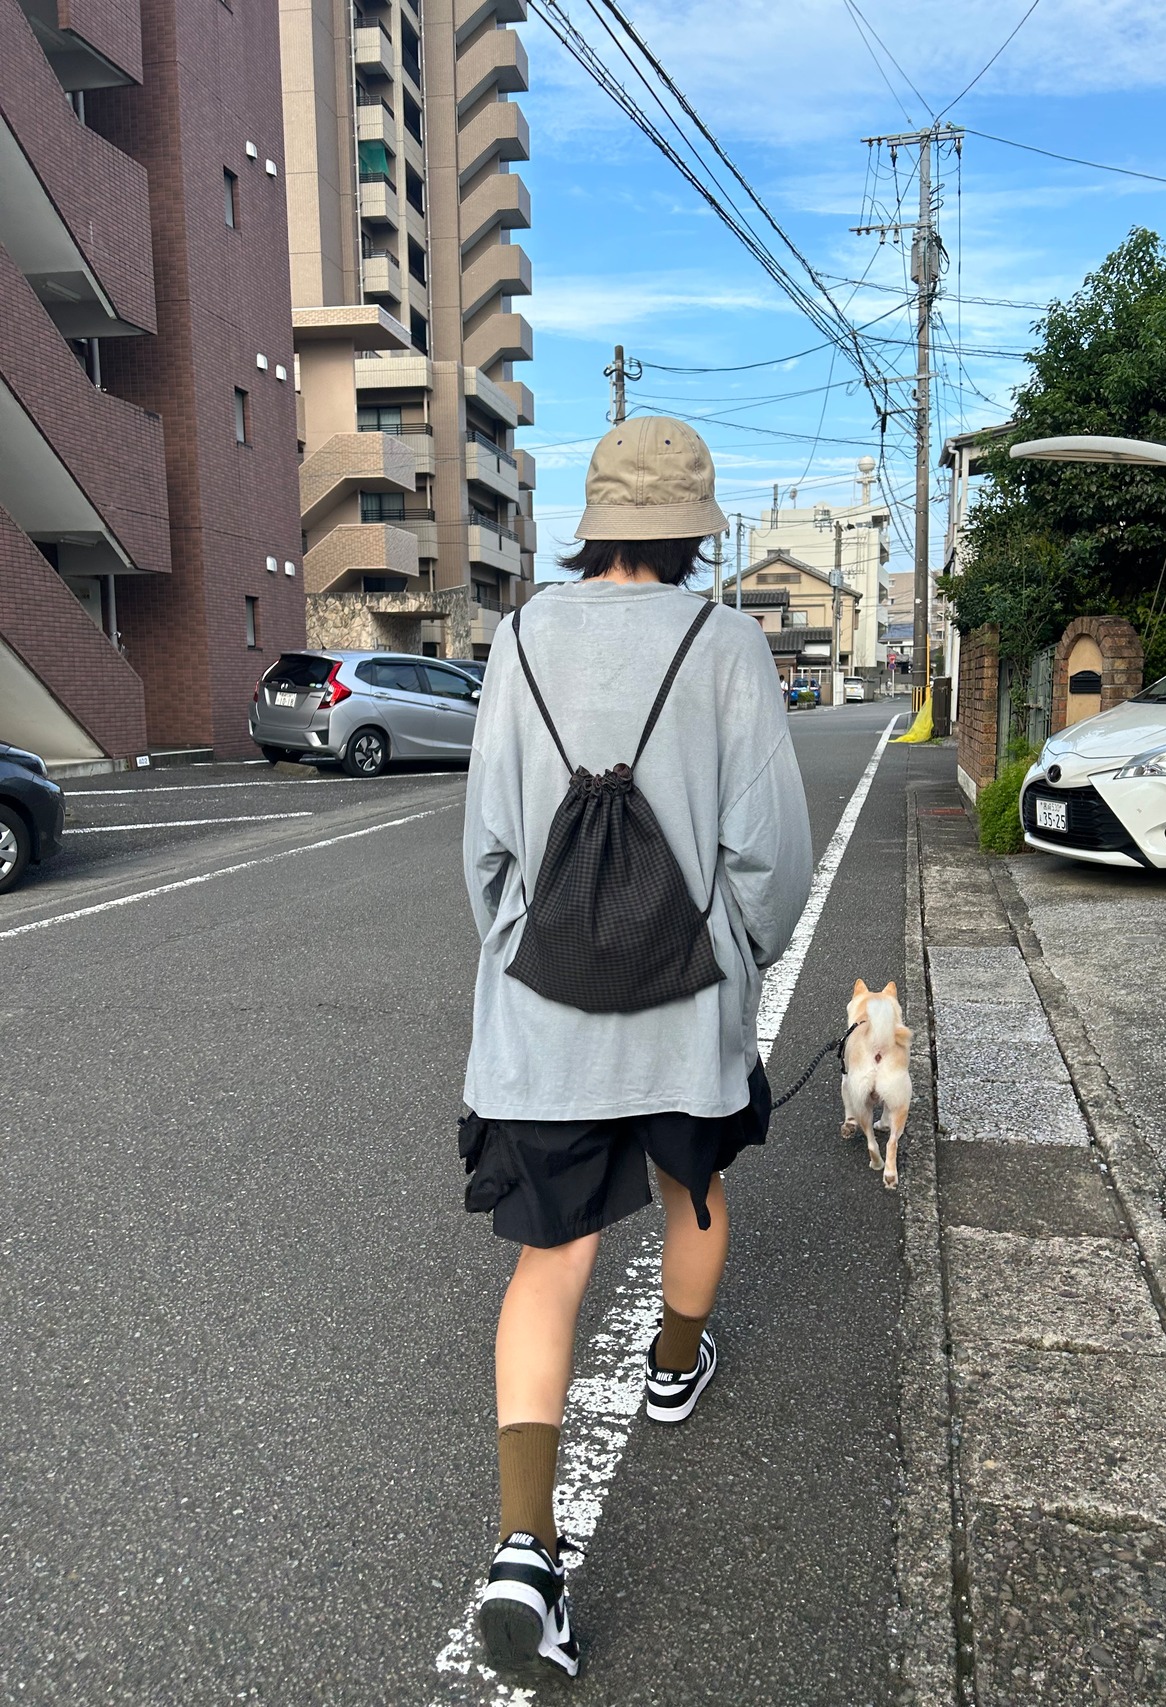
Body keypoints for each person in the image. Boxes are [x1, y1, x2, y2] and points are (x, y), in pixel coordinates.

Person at [458, 416, 812, 1679]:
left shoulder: (515, 640)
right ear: (691, 532)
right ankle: (671, 1366)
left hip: (539, 1016)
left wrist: (528, 950)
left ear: (595, 523)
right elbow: (769, 852)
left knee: (549, 1258)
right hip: (683, 1002)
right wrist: (733, 957)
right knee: (691, 1190)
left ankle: (522, 1552)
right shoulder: (727, 644)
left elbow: (488, 849)